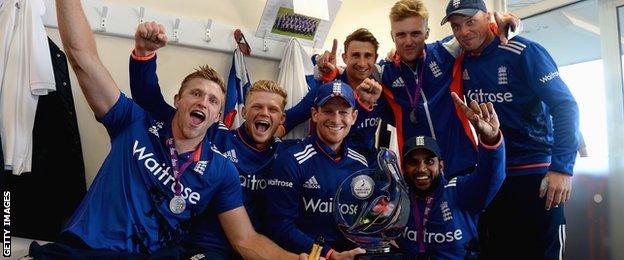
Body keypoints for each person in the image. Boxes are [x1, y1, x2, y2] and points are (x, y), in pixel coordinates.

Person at [29, 1, 304, 259]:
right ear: (178, 101)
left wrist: (301, 258)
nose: (202, 102)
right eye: (195, 93)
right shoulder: (134, 122)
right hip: (85, 248)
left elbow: (245, 239)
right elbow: (81, 57)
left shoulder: (221, 169)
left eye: (212, 100)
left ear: (218, 116)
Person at [129, 22, 299, 259]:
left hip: (257, 248)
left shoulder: (289, 156)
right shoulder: (215, 134)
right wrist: (144, 56)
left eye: (272, 110)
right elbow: (151, 102)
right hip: (204, 248)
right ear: (243, 112)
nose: (264, 114)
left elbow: (330, 125)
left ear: (282, 119)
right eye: (257, 107)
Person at [316, 0, 519, 179]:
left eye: (415, 33)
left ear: (427, 32)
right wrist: (326, 74)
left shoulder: (446, 52)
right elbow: (349, 76)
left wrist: (503, 25)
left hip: (462, 164)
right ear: (392, 36)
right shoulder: (383, 72)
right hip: (418, 173)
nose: (408, 41)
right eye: (401, 35)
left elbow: (476, 35)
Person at [441, 0, 579, 258]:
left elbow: (566, 105)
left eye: (471, 22)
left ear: (488, 18)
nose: (464, 31)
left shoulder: (524, 51)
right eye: (457, 26)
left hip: (536, 176)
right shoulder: (460, 58)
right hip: (492, 178)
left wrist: (562, 168)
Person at [265, 81, 369, 260]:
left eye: (343, 112)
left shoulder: (361, 164)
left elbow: (362, 220)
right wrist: (329, 254)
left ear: (354, 116)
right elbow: (279, 225)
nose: (336, 119)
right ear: (315, 114)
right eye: (328, 111)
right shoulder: (291, 160)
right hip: (305, 256)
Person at [396, 92, 505, 259]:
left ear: (441, 166)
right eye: (413, 162)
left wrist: (491, 140)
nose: (421, 168)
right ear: (404, 167)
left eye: (429, 161)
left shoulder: (459, 191)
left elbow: (491, 176)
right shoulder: (397, 200)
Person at [279, 28, 383, 156]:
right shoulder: (328, 88)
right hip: (327, 165)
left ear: (375, 58)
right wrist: (264, 148)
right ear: (345, 58)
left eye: (368, 56)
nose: (362, 63)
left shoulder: (379, 91)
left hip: (367, 167)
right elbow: (289, 119)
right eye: (355, 55)